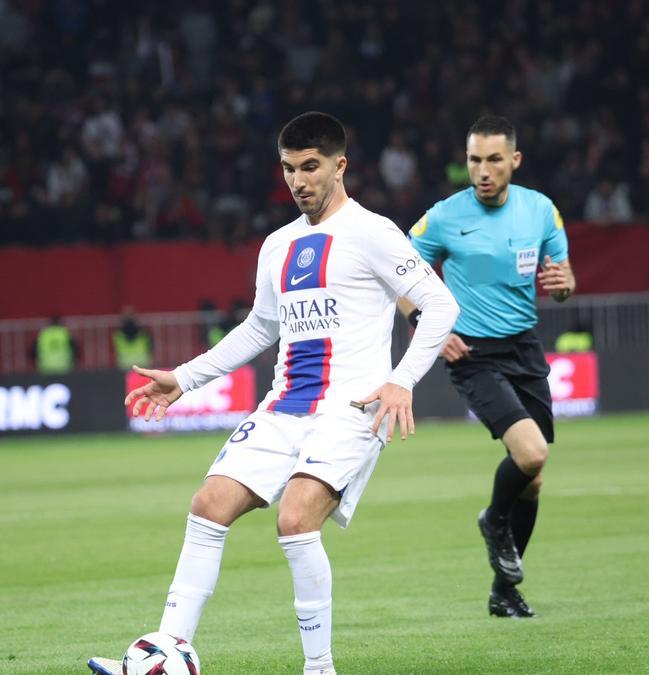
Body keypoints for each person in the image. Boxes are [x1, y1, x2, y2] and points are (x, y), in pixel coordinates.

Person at [88, 112, 458, 675]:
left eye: (311, 167)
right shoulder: (277, 244)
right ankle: (165, 652)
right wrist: (184, 378)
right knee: (207, 506)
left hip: (349, 410)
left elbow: (441, 306)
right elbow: (262, 327)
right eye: (288, 168)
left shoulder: (374, 232)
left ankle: (319, 669)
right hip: (284, 406)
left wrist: (401, 380)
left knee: (295, 519)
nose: (298, 180)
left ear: (340, 166)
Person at [399, 115, 576, 619]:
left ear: (513, 161)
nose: (482, 170)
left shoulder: (541, 211)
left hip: (523, 347)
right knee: (532, 452)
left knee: (533, 476)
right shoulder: (444, 217)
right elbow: (400, 278)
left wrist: (564, 284)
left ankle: (504, 590)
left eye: (493, 159)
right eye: (474, 159)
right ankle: (494, 520)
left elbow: (561, 282)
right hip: (471, 353)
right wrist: (431, 330)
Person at [112, 306, 153, 370]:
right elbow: (150, 350)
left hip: (125, 367)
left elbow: (116, 352)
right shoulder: (144, 334)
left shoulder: (118, 336)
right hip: (142, 366)